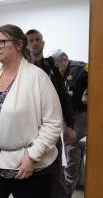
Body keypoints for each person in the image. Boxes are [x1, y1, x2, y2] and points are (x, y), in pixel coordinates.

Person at [0, 24, 62, 198]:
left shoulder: (38, 77)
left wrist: (32, 156)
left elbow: (53, 123)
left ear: (19, 45)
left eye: (2, 42)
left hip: (28, 166)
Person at [26, 29, 75, 198]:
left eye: (37, 39)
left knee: (55, 171)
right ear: (26, 44)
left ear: (43, 42)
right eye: (30, 40)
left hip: (52, 129)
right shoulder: (22, 69)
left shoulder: (51, 67)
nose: (34, 43)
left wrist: (70, 126)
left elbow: (63, 97)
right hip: (29, 130)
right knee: (31, 171)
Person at [50, 49, 88, 198]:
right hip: (68, 118)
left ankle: (66, 193)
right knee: (74, 151)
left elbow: (98, 70)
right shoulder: (58, 73)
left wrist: (88, 92)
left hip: (80, 117)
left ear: (64, 59)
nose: (55, 67)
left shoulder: (80, 68)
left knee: (71, 151)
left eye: (57, 64)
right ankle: (79, 183)